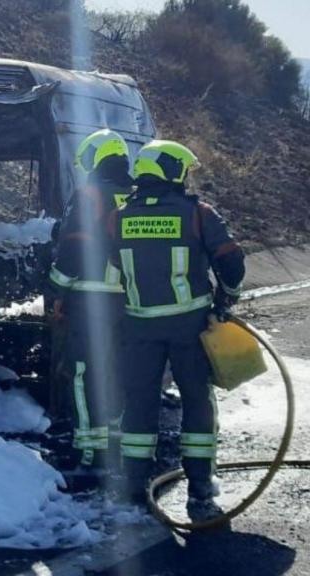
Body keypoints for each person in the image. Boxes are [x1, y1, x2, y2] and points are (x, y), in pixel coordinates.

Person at [110, 140, 245, 520]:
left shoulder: (118, 217)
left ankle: (133, 489)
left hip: (139, 327)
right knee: (196, 402)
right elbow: (231, 261)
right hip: (190, 327)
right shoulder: (198, 213)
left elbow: (114, 261)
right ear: (171, 170)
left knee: (139, 403)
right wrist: (226, 298)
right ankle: (200, 492)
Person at [49, 129, 133, 482]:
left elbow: (72, 247)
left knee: (84, 374)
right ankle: (119, 447)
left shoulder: (89, 195)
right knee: (119, 372)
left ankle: (91, 453)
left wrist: (56, 291)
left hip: (90, 300)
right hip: (132, 302)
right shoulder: (139, 195)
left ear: (96, 158)